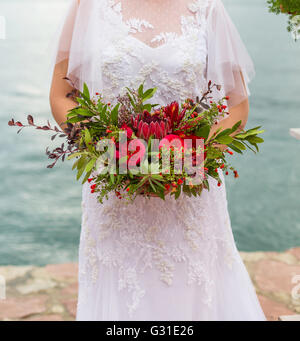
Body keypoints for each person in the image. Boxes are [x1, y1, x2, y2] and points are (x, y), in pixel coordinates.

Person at [50, 0, 266, 321]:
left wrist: (191, 155)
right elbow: (61, 94)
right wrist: (107, 150)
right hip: (115, 191)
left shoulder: (207, 8)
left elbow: (237, 107)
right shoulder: (89, 6)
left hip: (189, 191)